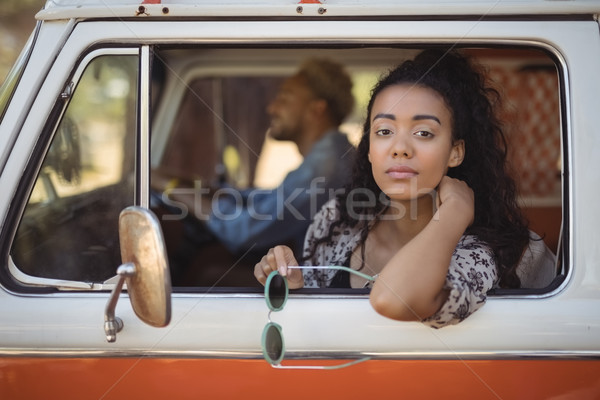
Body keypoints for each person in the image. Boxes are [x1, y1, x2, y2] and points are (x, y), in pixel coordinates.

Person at [254, 49, 556, 329]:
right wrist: (296, 286)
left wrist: (454, 213)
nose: (399, 148)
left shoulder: (487, 249)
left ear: (455, 152)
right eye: (384, 131)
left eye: (423, 133)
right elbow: (324, 334)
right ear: (370, 149)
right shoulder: (338, 220)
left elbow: (394, 300)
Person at [156, 58, 356, 257]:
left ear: (317, 109)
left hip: (316, 281)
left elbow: (245, 231)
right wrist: (205, 189)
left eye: (284, 99)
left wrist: (172, 187)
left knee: (205, 270)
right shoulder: (331, 157)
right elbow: (270, 200)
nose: (272, 109)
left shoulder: (324, 168)